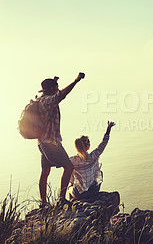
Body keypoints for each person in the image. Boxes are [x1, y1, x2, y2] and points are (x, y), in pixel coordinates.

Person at [38, 72, 85, 207]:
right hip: (51, 143)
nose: (58, 89)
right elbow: (62, 94)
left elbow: (53, 92)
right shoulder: (48, 101)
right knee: (69, 167)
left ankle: (43, 203)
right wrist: (76, 80)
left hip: (43, 142)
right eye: (56, 87)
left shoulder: (42, 99)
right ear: (52, 90)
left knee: (45, 172)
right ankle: (61, 199)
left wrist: (53, 81)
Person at [69, 121, 115, 200]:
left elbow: (69, 174)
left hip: (79, 194)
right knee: (99, 175)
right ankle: (93, 197)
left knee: (70, 186)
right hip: (93, 191)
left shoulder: (72, 160)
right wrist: (108, 129)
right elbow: (103, 143)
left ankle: (72, 202)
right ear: (88, 146)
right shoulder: (93, 156)